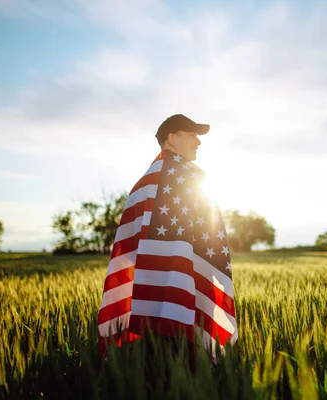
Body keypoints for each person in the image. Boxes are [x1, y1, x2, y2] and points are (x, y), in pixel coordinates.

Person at [97, 114, 238, 368]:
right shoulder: (192, 177)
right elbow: (212, 238)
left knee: (154, 367)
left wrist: (159, 273)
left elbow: (127, 248)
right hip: (188, 300)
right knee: (186, 367)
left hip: (146, 304)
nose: (199, 142)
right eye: (192, 135)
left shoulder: (143, 183)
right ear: (172, 139)